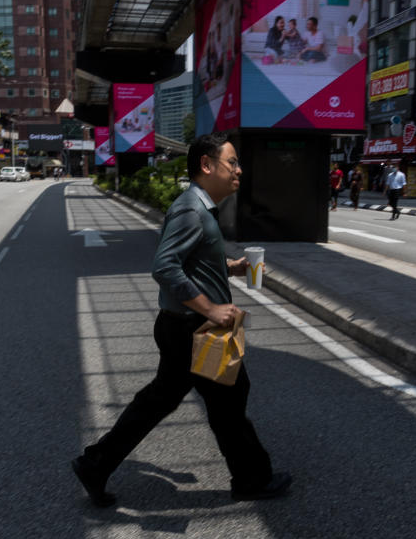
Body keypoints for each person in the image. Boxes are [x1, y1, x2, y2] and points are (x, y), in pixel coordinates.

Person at [71, 133, 292, 507]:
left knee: (164, 400)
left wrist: (232, 267)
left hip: (185, 328)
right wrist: (211, 309)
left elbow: (193, 260)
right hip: (198, 330)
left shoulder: (200, 208)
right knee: (229, 401)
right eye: (232, 163)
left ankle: (96, 463)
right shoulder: (191, 209)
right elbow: (164, 267)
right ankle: (252, 479)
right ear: (207, 166)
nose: (239, 170)